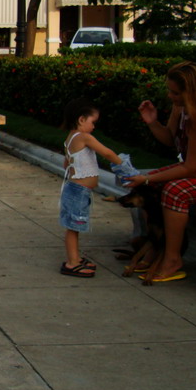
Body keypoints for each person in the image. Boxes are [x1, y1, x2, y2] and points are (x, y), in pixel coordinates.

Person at [126, 61, 196, 282]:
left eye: (175, 92)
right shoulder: (182, 107)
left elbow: (192, 167)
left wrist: (147, 177)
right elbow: (170, 139)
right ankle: (155, 246)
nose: (170, 96)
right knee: (150, 186)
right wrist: (152, 122)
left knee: (176, 191)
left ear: (191, 91)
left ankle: (173, 259)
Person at [60, 98, 126, 277]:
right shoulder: (84, 137)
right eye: (93, 122)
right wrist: (124, 166)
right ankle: (72, 262)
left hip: (76, 190)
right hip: (77, 191)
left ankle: (75, 259)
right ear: (82, 119)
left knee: (74, 226)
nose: (94, 127)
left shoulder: (71, 137)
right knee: (73, 227)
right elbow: (106, 152)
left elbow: (67, 163)